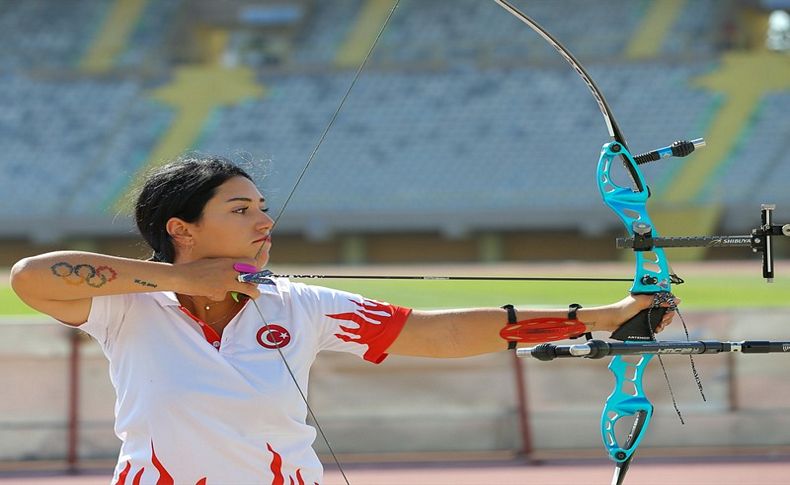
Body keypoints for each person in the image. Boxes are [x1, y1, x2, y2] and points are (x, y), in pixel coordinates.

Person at [10, 155, 675, 485]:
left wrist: (603, 316)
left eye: (263, 206)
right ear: (180, 227)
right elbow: (31, 276)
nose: (265, 221)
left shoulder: (299, 303)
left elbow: (441, 332)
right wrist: (181, 279)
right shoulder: (127, 306)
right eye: (241, 209)